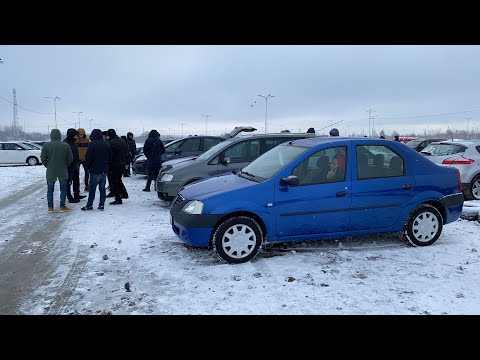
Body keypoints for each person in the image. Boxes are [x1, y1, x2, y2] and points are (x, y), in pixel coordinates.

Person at [40, 129, 74, 213]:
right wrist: (65, 165)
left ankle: (50, 207)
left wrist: (48, 165)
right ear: (59, 135)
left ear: (51, 135)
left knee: (50, 190)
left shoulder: (46, 145)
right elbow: (70, 158)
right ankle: (62, 206)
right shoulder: (65, 145)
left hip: (51, 170)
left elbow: (43, 158)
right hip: (62, 170)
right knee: (63, 189)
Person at [81, 129, 112, 211]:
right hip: (104, 170)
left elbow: (88, 157)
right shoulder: (107, 144)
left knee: (92, 189)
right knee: (102, 189)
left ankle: (89, 205)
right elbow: (110, 157)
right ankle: (101, 205)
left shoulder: (92, 144)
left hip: (95, 170)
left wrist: (88, 167)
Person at [63, 128, 86, 203]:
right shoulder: (65, 143)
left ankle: (77, 194)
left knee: (76, 180)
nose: (77, 137)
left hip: (75, 164)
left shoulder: (73, 142)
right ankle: (69, 197)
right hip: (68, 166)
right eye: (75, 135)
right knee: (68, 182)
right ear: (71, 135)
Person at [106, 129, 128, 205]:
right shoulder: (122, 140)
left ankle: (118, 198)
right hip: (122, 163)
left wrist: (108, 162)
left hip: (114, 164)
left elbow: (110, 155)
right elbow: (126, 151)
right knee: (118, 179)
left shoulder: (110, 143)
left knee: (114, 181)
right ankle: (124, 193)